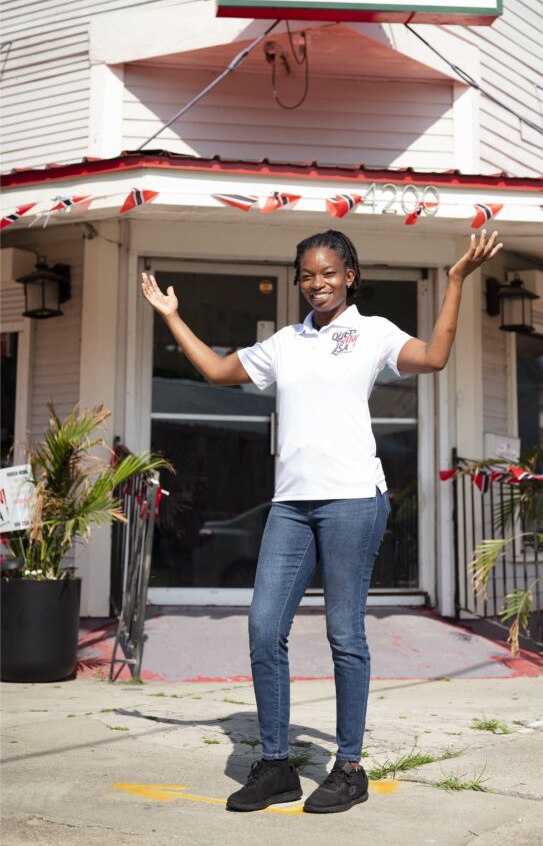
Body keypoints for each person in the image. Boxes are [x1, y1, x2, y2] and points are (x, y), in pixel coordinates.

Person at [141, 226, 502, 814]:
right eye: (307, 275)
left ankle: (350, 766)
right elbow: (215, 370)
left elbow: (434, 358)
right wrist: (172, 316)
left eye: (329, 273)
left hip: (354, 500)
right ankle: (278, 765)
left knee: (344, 634)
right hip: (291, 505)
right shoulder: (285, 342)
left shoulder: (372, 333)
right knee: (263, 628)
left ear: (350, 275)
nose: (317, 284)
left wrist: (456, 279)